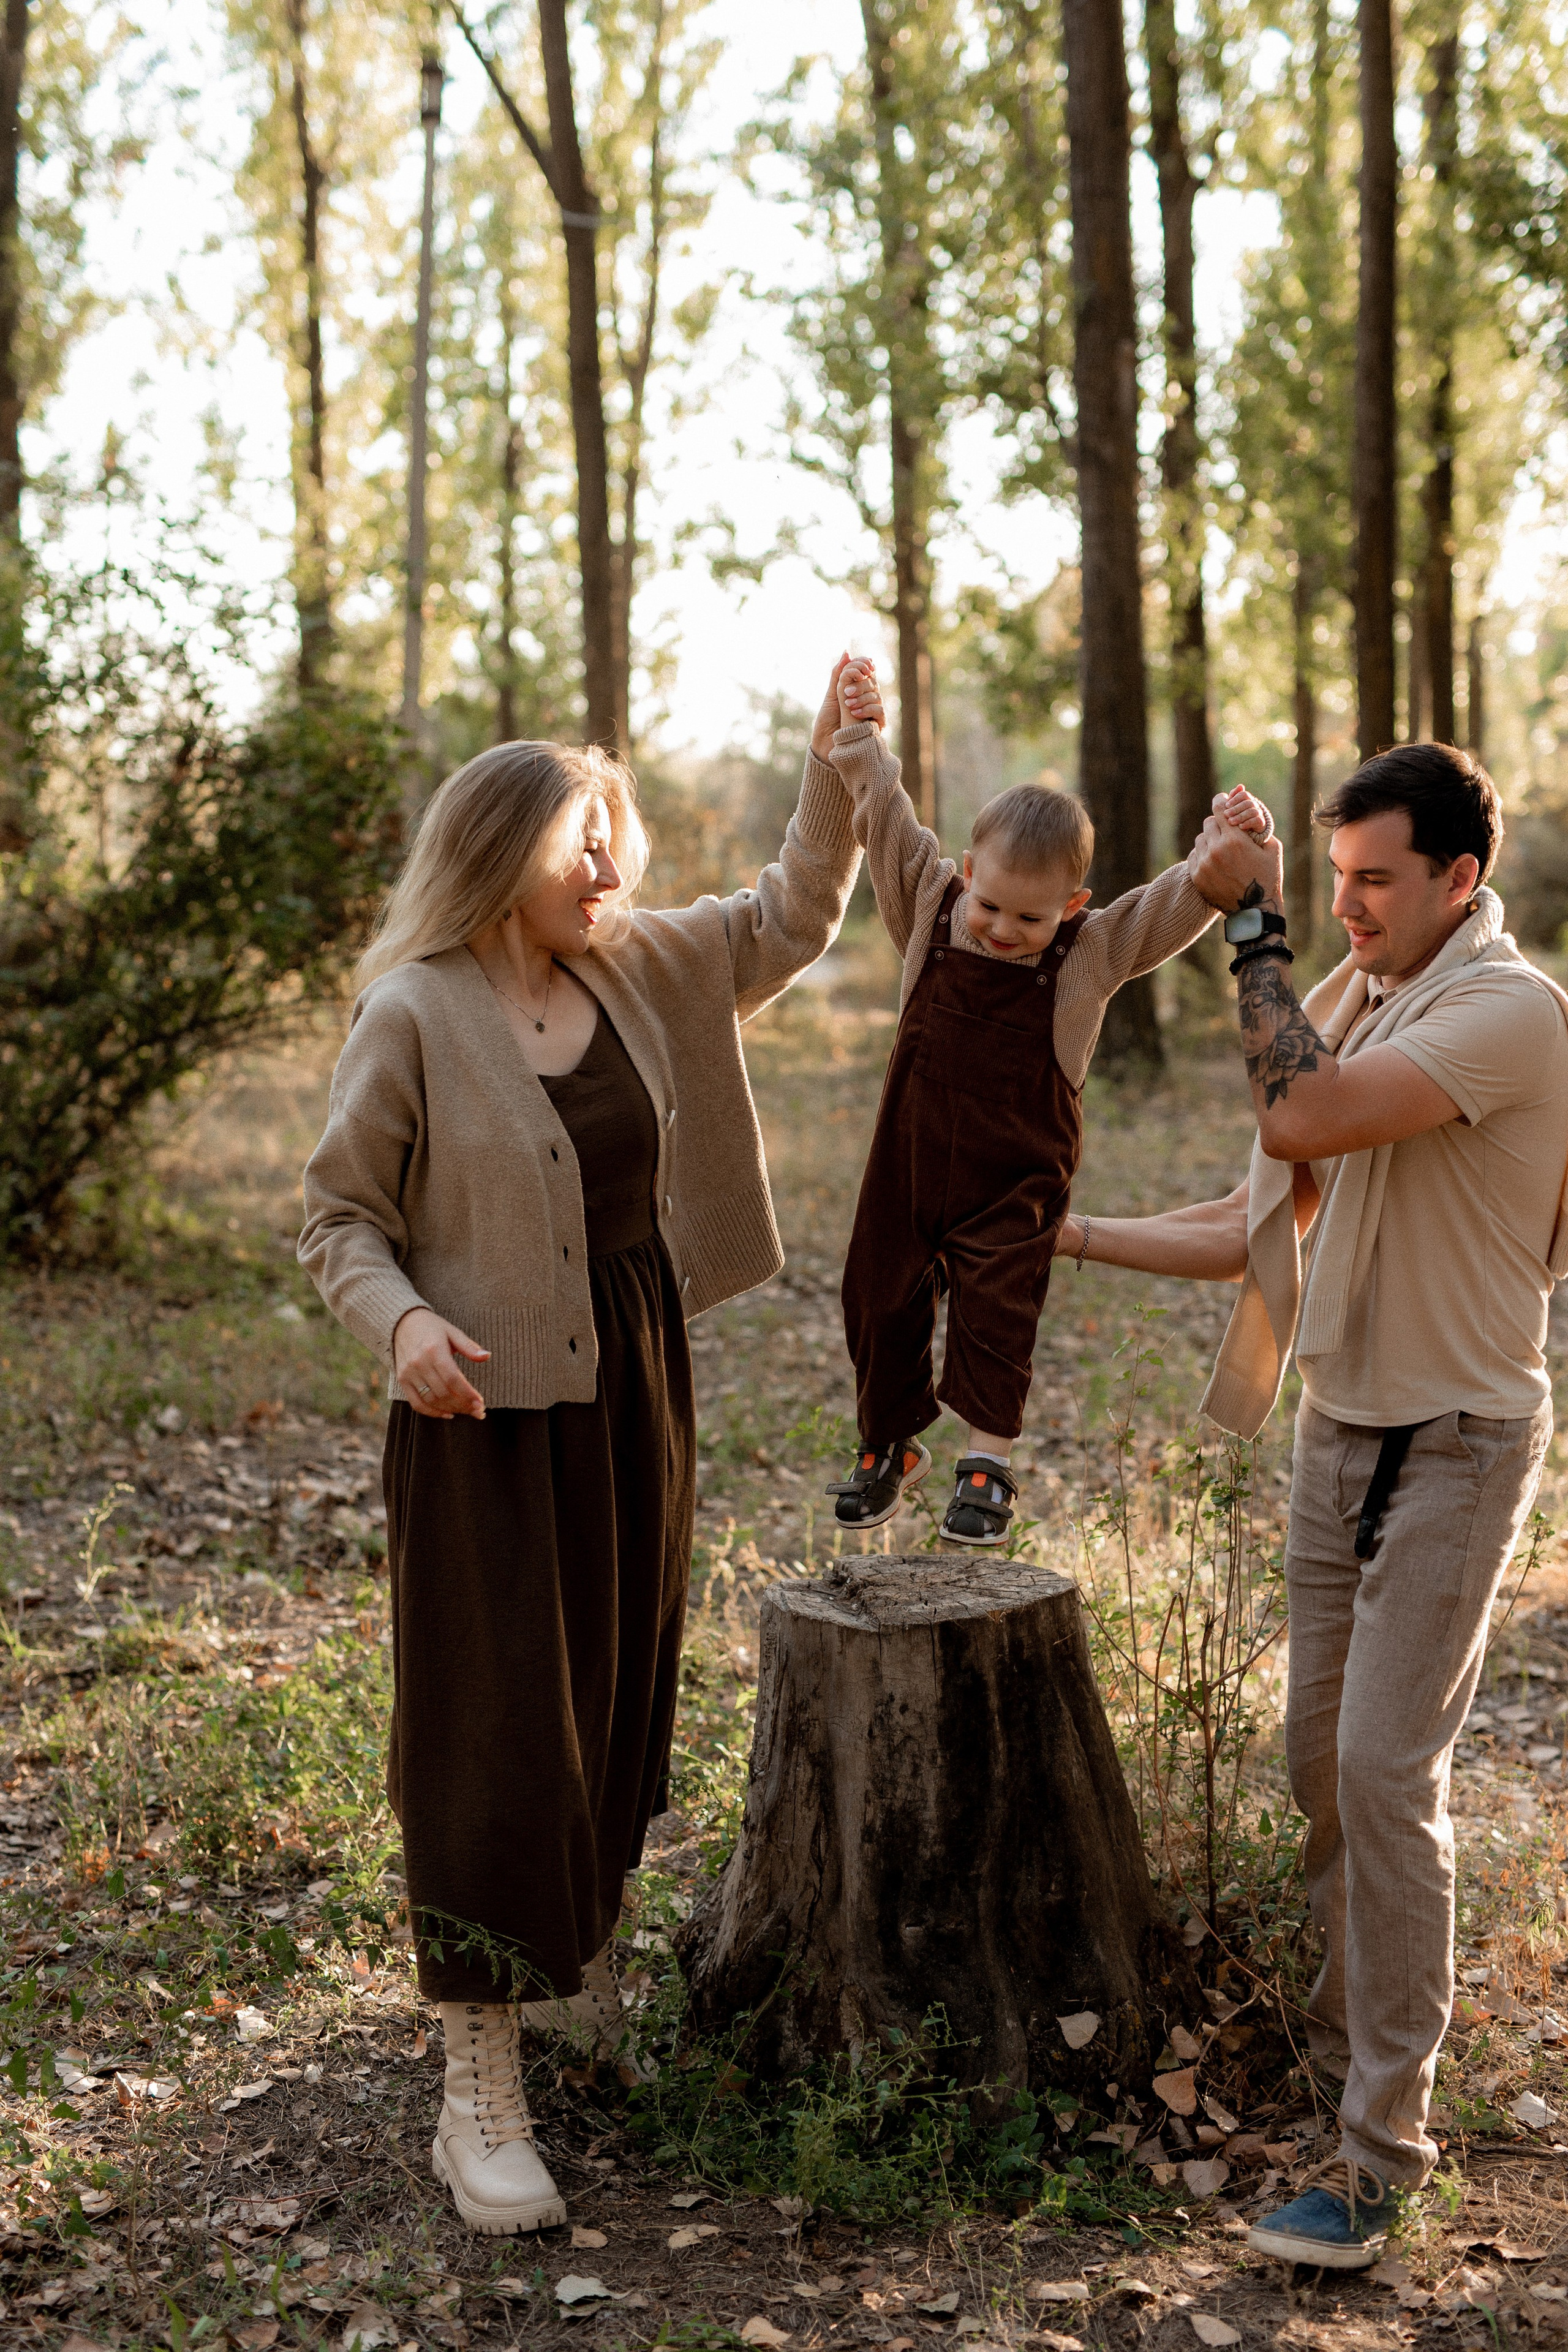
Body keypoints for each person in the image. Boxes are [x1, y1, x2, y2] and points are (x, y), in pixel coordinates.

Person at [297, 679, 861, 2236]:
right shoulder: (413, 1011)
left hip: (631, 1389)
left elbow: (797, 914)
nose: (611, 874)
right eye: (581, 847)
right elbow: (338, 1215)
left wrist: (832, 769)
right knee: (489, 1738)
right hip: (477, 1424)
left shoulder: (640, 966)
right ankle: (475, 2082)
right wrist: (404, 1325)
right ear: (497, 855)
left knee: (610, 1695)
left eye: (616, 843)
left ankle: (571, 1969)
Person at [1058, 743, 1568, 2269]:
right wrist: (1055, 1237)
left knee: (1377, 1772)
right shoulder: (1355, 998)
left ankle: (1377, 2156)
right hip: (1335, 1434)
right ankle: (1355, 2047)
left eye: (1373, 882)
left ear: (1456, 882)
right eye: (1331, 880)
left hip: (1459, 1442)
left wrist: (1253, 927)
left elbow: (1297, 1119)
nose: (1345, 908)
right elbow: (1245, 1218)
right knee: (1315, 1774)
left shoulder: (1507, 1010)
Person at [820, 656, 1272, 1546]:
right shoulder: (931, 906)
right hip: (906, 1169)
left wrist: (1221, 846)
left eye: (1030, 919)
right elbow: (884, 818)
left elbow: (1169, 908)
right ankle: (888, 1444)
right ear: (966, 873)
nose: (1001, 930)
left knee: (998, 1315)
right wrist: (863, 732)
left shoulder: (1085, 958)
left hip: (1012, 1186)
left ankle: (987, 1463)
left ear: (1071, 907)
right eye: (988, 905)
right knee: (875, 1297)